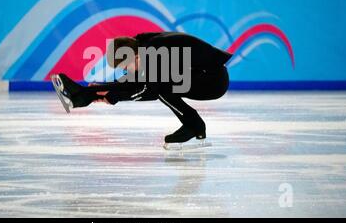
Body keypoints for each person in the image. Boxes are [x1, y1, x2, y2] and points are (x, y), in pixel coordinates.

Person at [51, 32, 232, 147]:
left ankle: (194, 126)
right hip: (199, 73)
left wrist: (114, 96)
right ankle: (82, 95)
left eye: (125, 66)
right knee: (149, 82)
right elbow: (137, 81)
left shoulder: (152, 52)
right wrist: (100, 89)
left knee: (160, 89)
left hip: (212, 81)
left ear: (136, 56)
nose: (125, 70)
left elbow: (149, 92)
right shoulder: (143, 44)